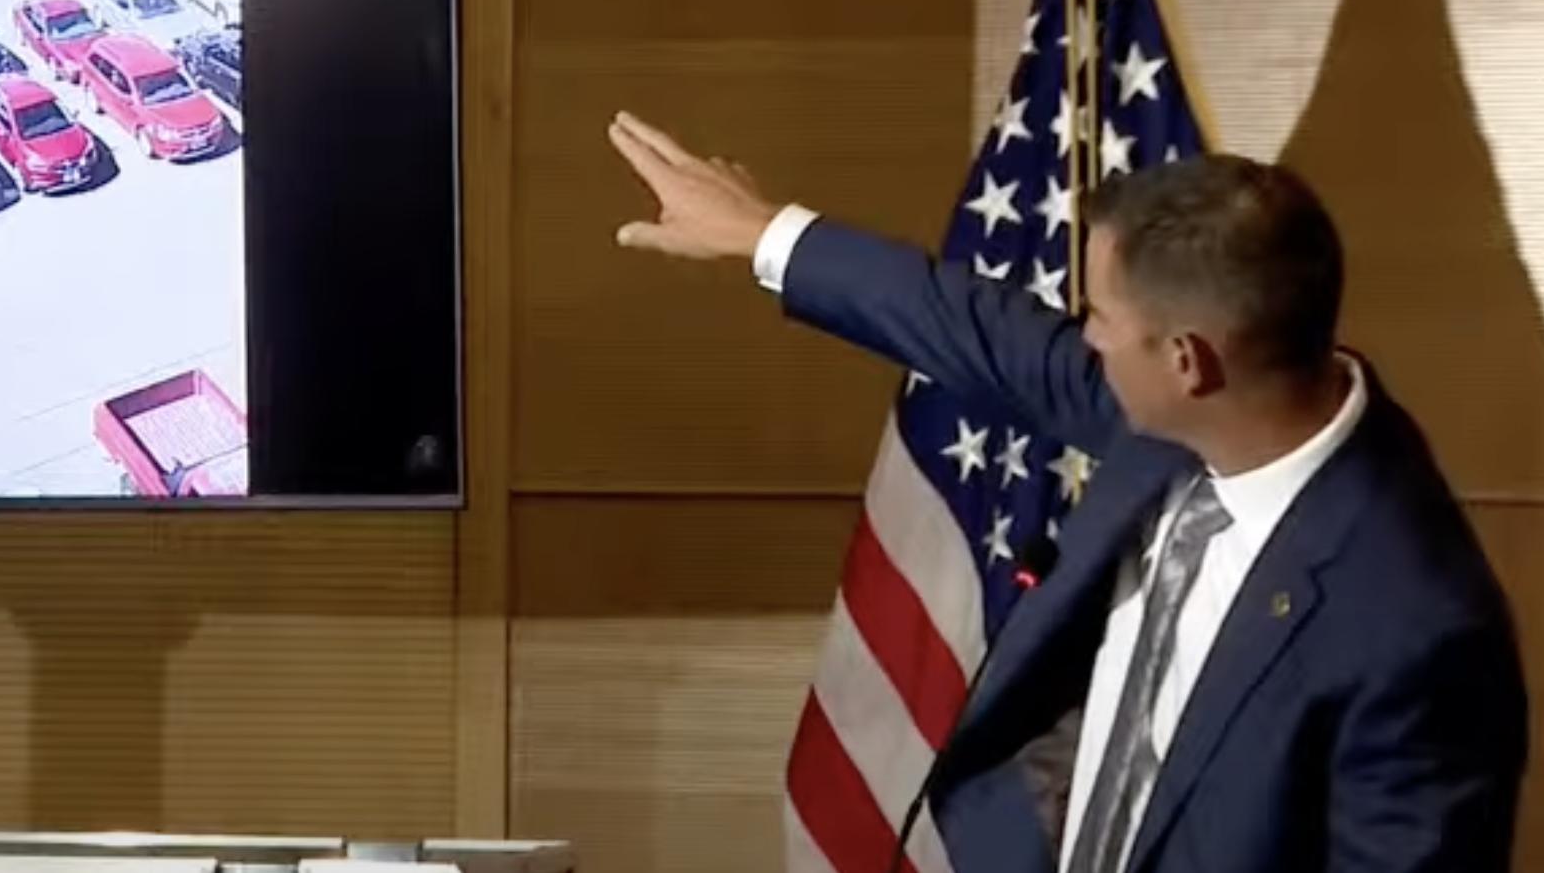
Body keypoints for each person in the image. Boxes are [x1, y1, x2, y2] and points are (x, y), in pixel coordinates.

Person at [606, 111, 1525, 871]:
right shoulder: (1205, 408)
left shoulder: (1414, 628)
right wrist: (765, 233)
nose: (1078, 340)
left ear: (1185, 360)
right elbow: (984, 329)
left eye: (1097, 319)